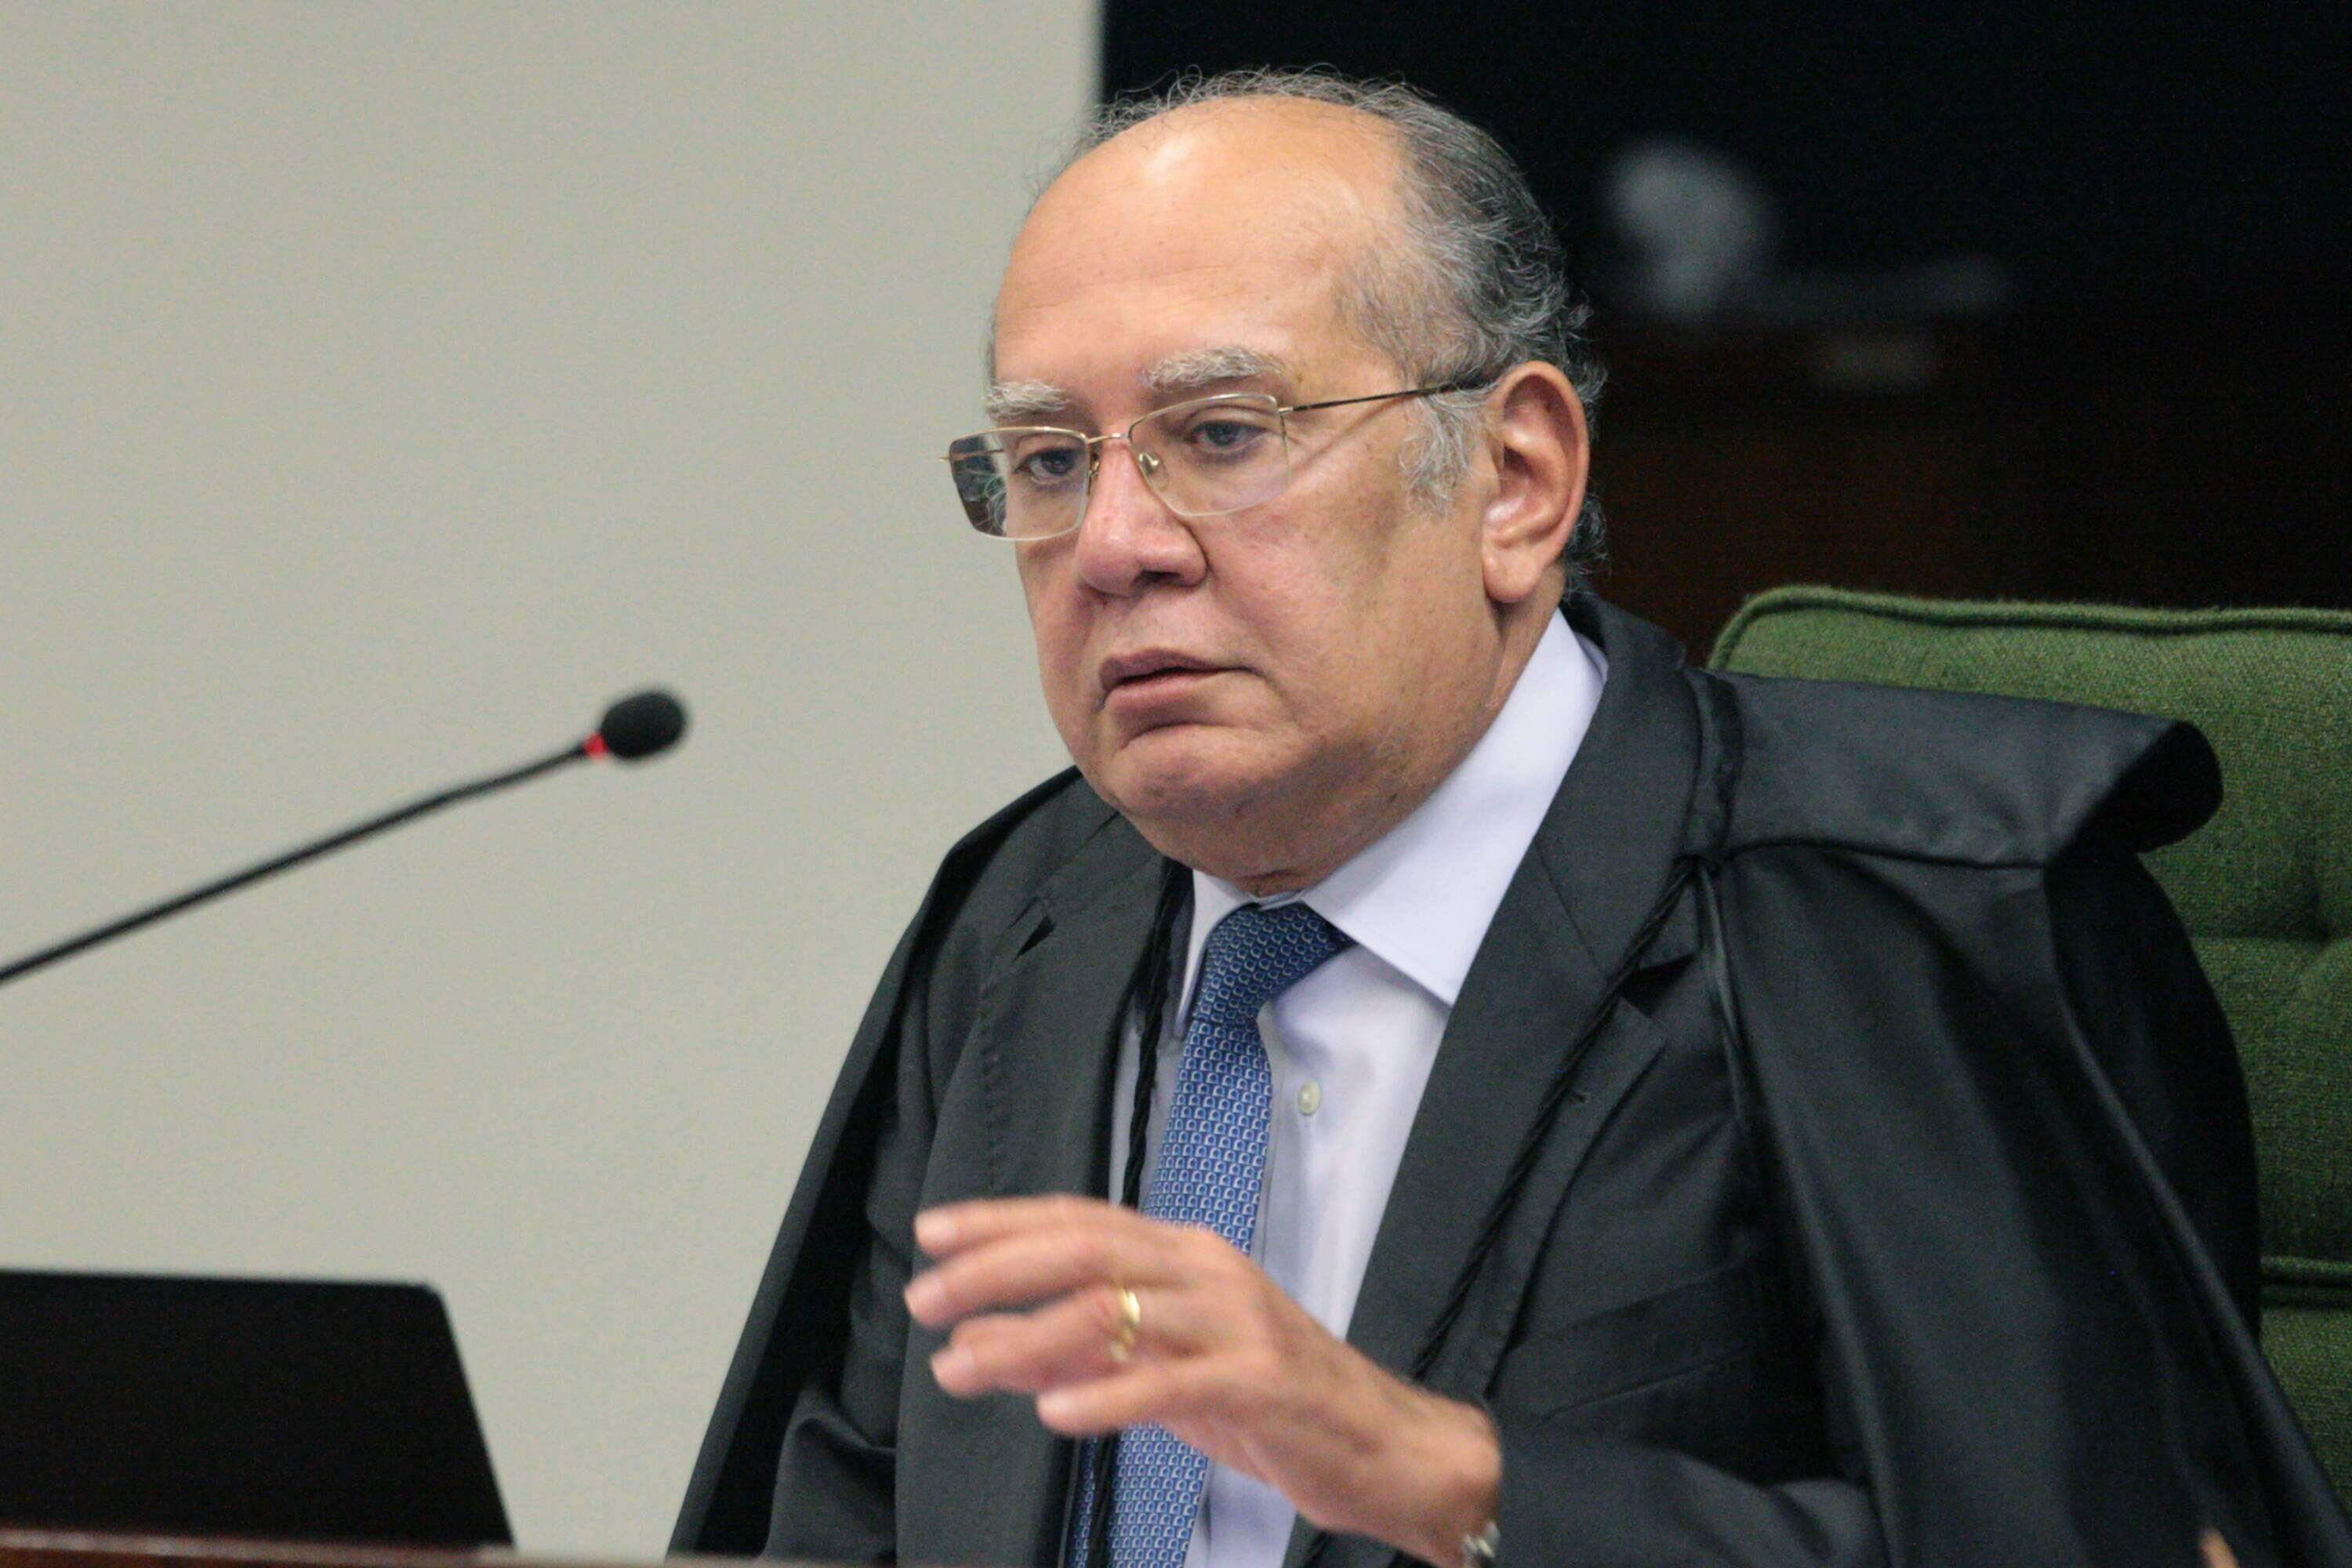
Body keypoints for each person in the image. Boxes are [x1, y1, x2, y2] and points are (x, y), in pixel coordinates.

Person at [675, 72, 2351, 1568]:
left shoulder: (1915, 909)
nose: (1115, 543)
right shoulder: (1026, 916)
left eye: (1222, 434)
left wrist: (1444, 1477)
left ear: (1520, 479)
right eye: (1050, 461)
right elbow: (840, 1518)